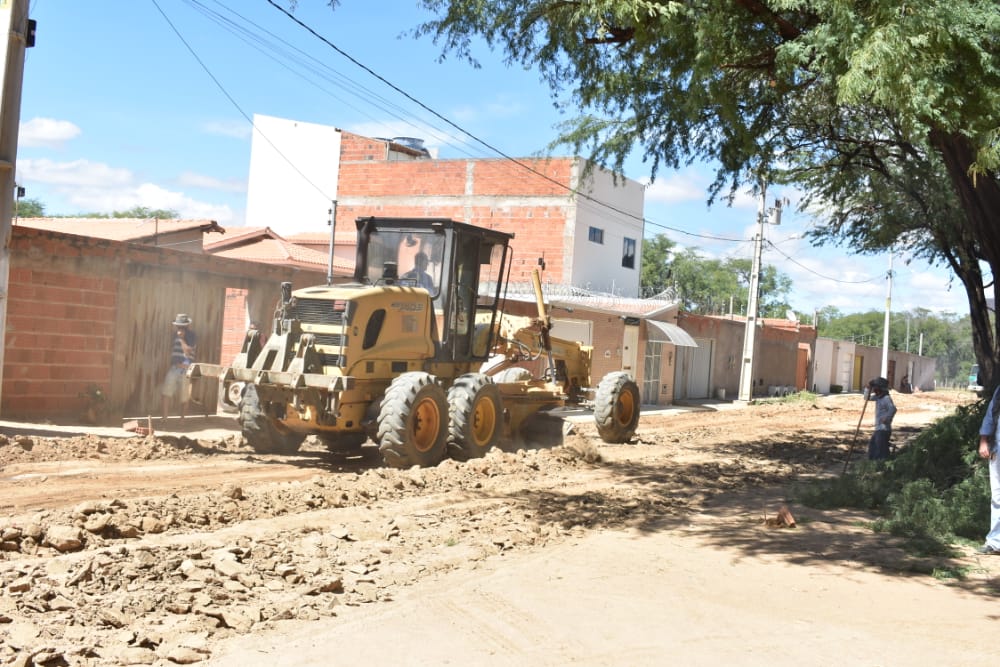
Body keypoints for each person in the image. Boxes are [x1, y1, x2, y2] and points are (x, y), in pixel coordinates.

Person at [977, 386, 1000, 555]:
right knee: (998, 497)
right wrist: (984, 440)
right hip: (998, 449)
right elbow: (991, 414)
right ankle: (995, 542)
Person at [161, 313, 197, 419]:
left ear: (187, 326)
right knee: (166, 393)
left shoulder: (192, 336)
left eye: (181, 326)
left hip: (186, 370)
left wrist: (181, 339)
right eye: (178, 326)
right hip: (174, 368)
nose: (179, 328)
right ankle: (164, 418)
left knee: (184, 397)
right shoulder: (174, 335)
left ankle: (182, 420)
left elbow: (188, 352)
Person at [866, 377, 896, 460]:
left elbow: (893, 409)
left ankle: (883, 464)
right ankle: (873, 463)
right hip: (878, 428)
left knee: (881, 448)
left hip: (884, 429)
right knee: (873, 446)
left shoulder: (886, 398)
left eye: (876, 389)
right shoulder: (878, 397)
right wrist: (867, 388)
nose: (875, 391)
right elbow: (866, 398)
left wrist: (886, 418)